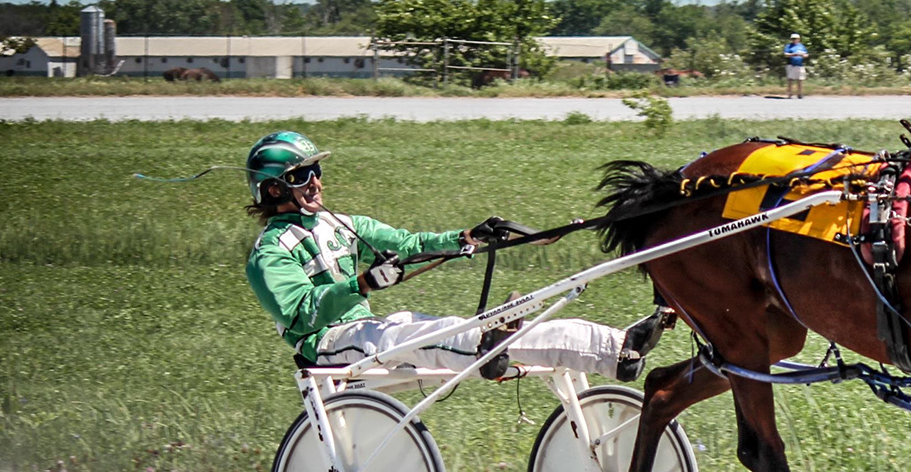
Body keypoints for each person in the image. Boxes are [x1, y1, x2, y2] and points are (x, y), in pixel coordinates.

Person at [243, 131, 665, 381]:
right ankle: (486, 346)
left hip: (367, 329)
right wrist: (363, 283)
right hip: (328, 346)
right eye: (301, 175)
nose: (315, 182)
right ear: (274, 189)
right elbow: (302, 313)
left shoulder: (343, 223)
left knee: (443, 326)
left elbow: (408, 243)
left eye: (317, 171)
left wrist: (466, 236)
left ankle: (616, 349)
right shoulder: (267, 255)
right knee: (411, 334)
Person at [782, 32, 807, 99]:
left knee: (800, 80)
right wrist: (794, 54)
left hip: (800, 65)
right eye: (793, 39)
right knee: (790, 79)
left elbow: (806, 54)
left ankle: (800, 94)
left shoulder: (801, 46)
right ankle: (790, 94)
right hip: (791, 64)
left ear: (799, 39)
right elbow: (786, 54)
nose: (794, 40)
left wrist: (803, 55)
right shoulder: (788, 46)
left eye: (795, 38)